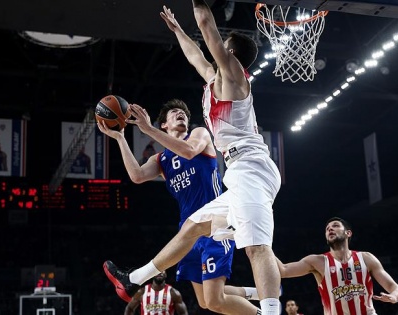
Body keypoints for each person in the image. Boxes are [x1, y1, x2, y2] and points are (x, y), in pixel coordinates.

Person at [104, 0, 283, 313]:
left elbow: (206, 27)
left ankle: (270, 310)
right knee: (191, 227)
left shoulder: (234, 77)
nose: (215, 53)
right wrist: (177, 31)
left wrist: (198, 4)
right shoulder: (216, 80)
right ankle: (134, 279)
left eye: (222, 48)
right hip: (240, 173)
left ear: (230, 54)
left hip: (252, 169)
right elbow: (196, 55)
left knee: (257, 248)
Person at [100, 99, 262, 314]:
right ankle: (256, 292)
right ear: (164, 125)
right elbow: (137, 176)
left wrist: (148, 129)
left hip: (216, 224)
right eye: (175, 112)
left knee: (215, 300)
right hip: (187, 233)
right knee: (206, 301)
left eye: (184, 113)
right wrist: (120, 138)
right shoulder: (161, 159)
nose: (181, 114)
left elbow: (189, 151)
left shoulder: (199, 134)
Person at [276, 217, 398, 315]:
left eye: (335, 226)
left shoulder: (366, 258)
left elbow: (394, 287)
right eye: (327, 229)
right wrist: (263, 245)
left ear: (348, 233)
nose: (330, 229)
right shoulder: (317, 261)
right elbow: (283, 270)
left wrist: (394, 296)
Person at [124, 270, 189, 315]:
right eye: (157, 271)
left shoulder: (174, 293)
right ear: (152, 275)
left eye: (162, 270)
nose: (159, 273)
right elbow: (129, 308)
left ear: (165, 274)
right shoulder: (142, 292)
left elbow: (183, 313)